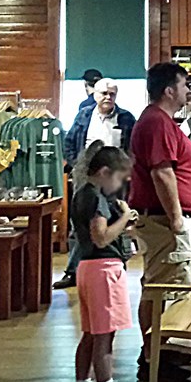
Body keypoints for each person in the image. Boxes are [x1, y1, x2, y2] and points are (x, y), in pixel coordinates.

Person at [129, 62, 191, 382]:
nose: (189, 91)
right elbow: (162, 173)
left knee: (166, 286)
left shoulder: (159, 122)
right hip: (164, 223)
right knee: (163, 289)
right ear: (169, 90)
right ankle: (154, 358)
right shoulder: (156, 123)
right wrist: (176, 219)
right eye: (185, 85)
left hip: (165, 221)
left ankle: (161, 352)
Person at [67, 143, 137, 382]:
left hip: (85, 267)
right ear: (105, 172)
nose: (118, 185)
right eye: (118, 179)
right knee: (105, 336)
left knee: (90, 333)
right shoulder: (96, 198)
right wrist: (127, 217)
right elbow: (101, 236)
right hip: (104, 269)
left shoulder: (81, 195)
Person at [56, 79, 137, 290]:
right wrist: (76, 165)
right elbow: (69, 141)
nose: (108, 97)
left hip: (114, 176)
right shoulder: (83, 115)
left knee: (115, 219)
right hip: (87, 175)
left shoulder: (126, 118)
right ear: (94, 95)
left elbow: (133, 146)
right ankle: (74, 270)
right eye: (104, 93)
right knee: (81, 224)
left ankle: (117, 263)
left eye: (112, 94)